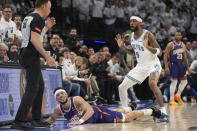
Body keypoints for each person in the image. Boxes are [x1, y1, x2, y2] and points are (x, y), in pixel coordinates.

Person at [11, 0, 56, 129]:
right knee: (32, 88)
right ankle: (19, 121)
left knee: (39, 86)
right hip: (30, 53)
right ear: (43, 6)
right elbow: (34, 40)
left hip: (26, 52)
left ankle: (37, 118)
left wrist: (47, 27)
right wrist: (48, 57)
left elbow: (33, 35)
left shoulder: (29, 16)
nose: (50, 10)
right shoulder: (38, 18)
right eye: (49, 7)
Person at [115, 16, 168, 122]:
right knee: (122, 87)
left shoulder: (147, 34)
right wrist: (123, 47)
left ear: (140, 23)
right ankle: (126, 112)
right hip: (141, 66)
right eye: (130, 21)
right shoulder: (131, 37)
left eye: (134, 21)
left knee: (152, 83)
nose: (131, 23)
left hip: (153, 64)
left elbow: (160, 52)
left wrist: (148, 47)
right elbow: (133, 53)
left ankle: (163, 112)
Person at [46, 87, 162, 125]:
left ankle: (151, 111)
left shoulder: (76, 100)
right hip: (93, 118)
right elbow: (51, 119)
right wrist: (43, 122)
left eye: (62, 93)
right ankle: (129, 108)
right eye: (58, 95)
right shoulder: (58, 109)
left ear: (66, 94)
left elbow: (90, 111)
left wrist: (79, 121)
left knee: (125, 119)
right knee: (117, 112)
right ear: (56, 99)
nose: (60, 96)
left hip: (98, 114)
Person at [164, 31, 196, 105]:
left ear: (181, 36)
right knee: (174, 81)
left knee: (185, 81)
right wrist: (166, 67)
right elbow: (165, 56)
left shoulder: (183, 45)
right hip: (173, 64)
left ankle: (177, 95)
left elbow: (185, 57)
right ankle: (171, 100)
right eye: (176, 35)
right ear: (174, 36)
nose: (178, 36)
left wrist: (188, 68)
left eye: (179, 35)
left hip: (180, 64)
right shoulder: (170, 44)